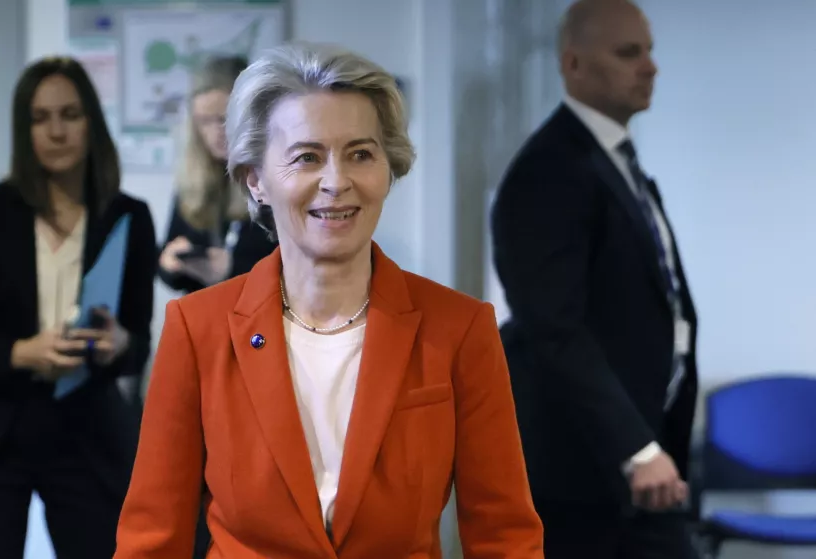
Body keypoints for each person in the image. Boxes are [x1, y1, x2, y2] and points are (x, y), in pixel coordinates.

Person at [114, 42, 544, 558]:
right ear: (257, 181)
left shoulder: (460, 328)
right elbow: (152, 538)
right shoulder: (196, 329)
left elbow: (505, 535)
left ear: (388, 169)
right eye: (307, 157)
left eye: (361, 154)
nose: (337, 182)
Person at [0, 56, 157, 559]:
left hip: (87, 433)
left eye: (69, 114)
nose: (56, 130)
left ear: (91, 121)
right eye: (40, 117)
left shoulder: (129, 216)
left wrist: (119, 344)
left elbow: (139, 343)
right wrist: (21, 353)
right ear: (23, 129)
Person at [491, 1, 699, 557]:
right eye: (629, 53)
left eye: (650, 50)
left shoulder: (617, 164)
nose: (650, 66)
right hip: (587, 471)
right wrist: (636, 449)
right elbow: (553, 327)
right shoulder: (550, 170)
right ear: (574, 64)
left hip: (637, 461)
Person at [158, 55, 277, 296]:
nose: (216, 132)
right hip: (203, 322)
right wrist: (169, 264)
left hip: (261, 324)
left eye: (224, 119)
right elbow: (170, 276)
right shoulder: (192, 180)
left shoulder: (278, 182)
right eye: (204, 121)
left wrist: (231, 269)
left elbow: (297, 277)